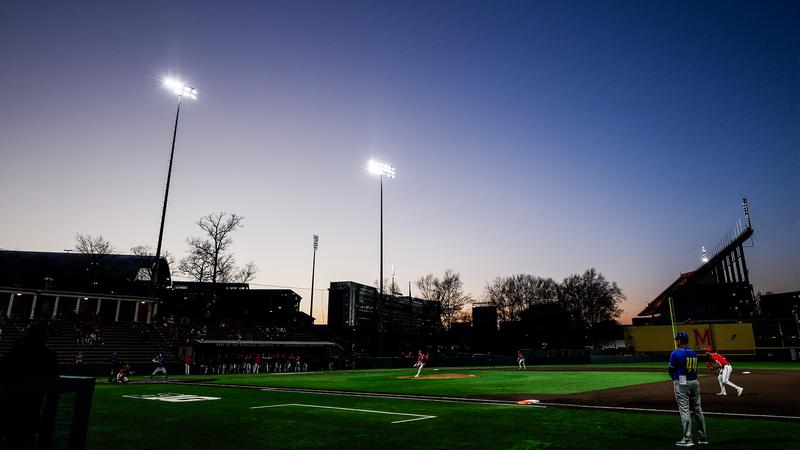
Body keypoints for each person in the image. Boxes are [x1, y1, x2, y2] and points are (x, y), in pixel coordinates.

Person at [669, 332, 708, 446]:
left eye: (677, 340)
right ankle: (703, 438)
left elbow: (670, 369)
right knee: (698, 410)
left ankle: (688, 439)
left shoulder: (676, 353)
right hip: (694, 382)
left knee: (685, 410)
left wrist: (674, 378)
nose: (676, 342)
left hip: (682, 382)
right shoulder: (694, 353)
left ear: (680, 341)